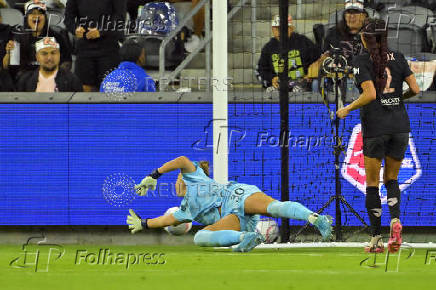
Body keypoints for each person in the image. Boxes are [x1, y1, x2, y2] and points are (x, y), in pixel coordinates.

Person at [126, 156, 333, 252]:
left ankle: (316, 218)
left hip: (236, 195)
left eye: (178, 178)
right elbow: (164, 220)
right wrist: (143, 224)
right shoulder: (184, 211)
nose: (177, 181)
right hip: (232, 218)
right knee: (199, 237)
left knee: (275, 207)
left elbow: (181, 160)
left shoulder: (196, 176)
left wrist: (154, 175)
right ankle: (246, 237)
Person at [336, 19, 420, 253]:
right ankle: (395, 219)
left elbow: (370, 94)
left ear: (365, 38)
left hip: (375, 127)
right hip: (400, 126)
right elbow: (415, 89)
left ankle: (376, 239)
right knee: (391, 179)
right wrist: (397, 100)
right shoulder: (399, 57)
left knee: (372, 184)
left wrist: (347, 109)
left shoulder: (361, 60)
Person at [64, 0, 126, 92]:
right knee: (84, 89)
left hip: (108, 48)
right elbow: (68, 18)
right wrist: (75, 28)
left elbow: (120, 17)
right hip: (84, 48)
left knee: (110, 88)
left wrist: (101, 31)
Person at [3, 0, 72, 81]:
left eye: (40, 13)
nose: (37, 16)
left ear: (45, 17)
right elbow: (7, 67)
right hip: (25, 81)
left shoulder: (57, 36)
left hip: (52, 79)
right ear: (27, 18)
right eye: (32, 13)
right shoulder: (18, 37)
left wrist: (56, 75)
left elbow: (67, 62)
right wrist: (8, 53)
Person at [256, 15, 322, 92]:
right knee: (271, 92)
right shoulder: (268, 48)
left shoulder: (304, 42)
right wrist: (272, 79)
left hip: (303, 84)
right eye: (277, 28)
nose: (280, 32)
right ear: (272, 29)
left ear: (291, 29)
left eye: (283, 28)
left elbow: (319, 61)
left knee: (297, 91)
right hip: (279, 85)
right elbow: (261, 70)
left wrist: (310, 75)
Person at [16, 37, 82, 92]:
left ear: (59, 55)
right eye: (44, 54)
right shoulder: (25, 81)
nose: (49, 58)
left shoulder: (72, 81)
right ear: (37, 57)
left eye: (53, 53)